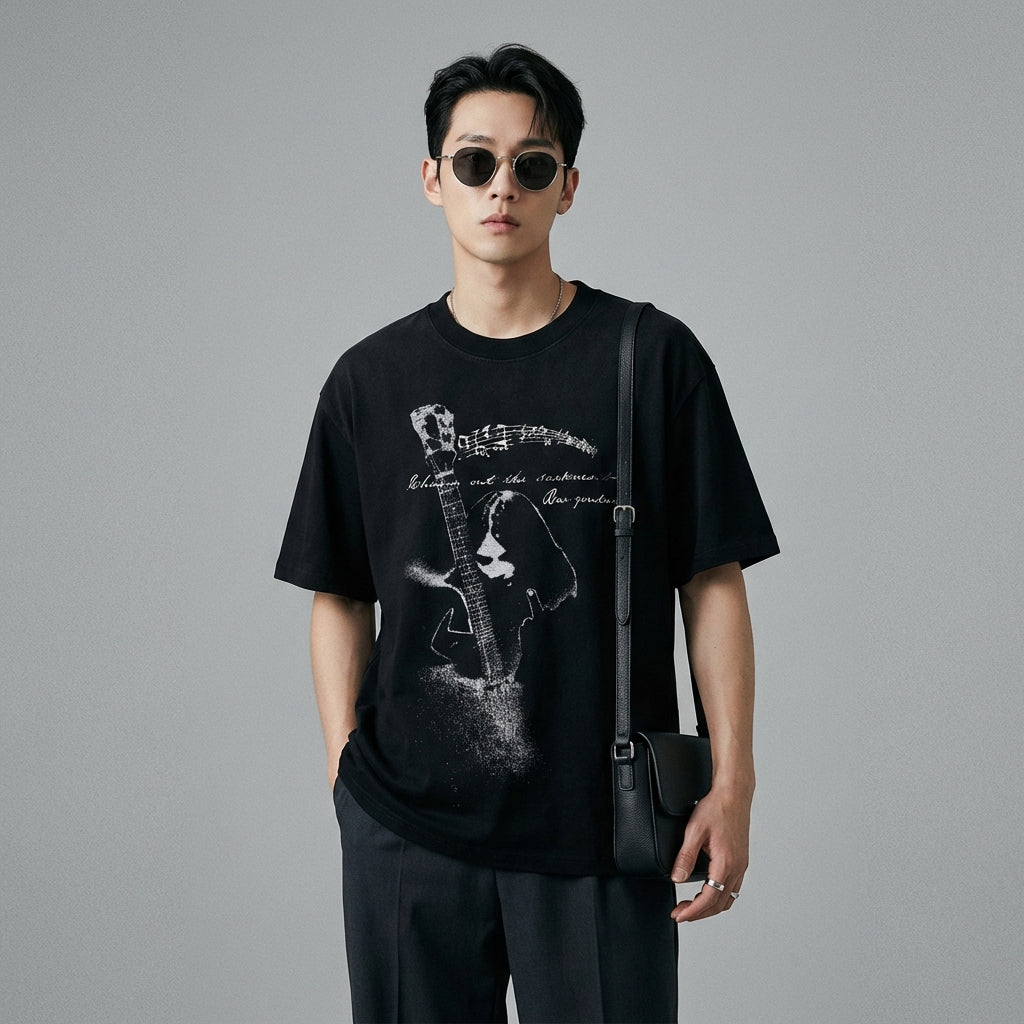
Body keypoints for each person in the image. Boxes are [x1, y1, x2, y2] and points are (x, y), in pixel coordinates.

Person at [275, 43, 779, 1024]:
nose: (500, 186)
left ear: (567, 187)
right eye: (474, 161)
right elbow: (337, 590)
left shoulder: (650, 357)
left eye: (531, 164)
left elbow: (711, 579)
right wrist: (345, 771)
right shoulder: (369, 380)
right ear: (433, 179)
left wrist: (734, 782)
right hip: (406, 826)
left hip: (599, 827)